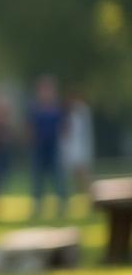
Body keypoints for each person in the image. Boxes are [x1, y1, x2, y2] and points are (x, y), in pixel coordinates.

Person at [28, 76, 67, 219]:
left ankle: (62, 205)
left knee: (58, 177)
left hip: (54, 147)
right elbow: (30, 127)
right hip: (39, 147)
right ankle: (37, 205)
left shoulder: (57, 107)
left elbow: (64, 127)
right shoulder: (34, 107)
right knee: (37, 178)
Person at [61, 92, 95, 199]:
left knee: (82, 172)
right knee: (70, 174)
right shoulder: (67, 115)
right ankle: (72, 195)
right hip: (69, 148)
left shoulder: (82, 112)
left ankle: (89, 194)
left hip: (78, 147)